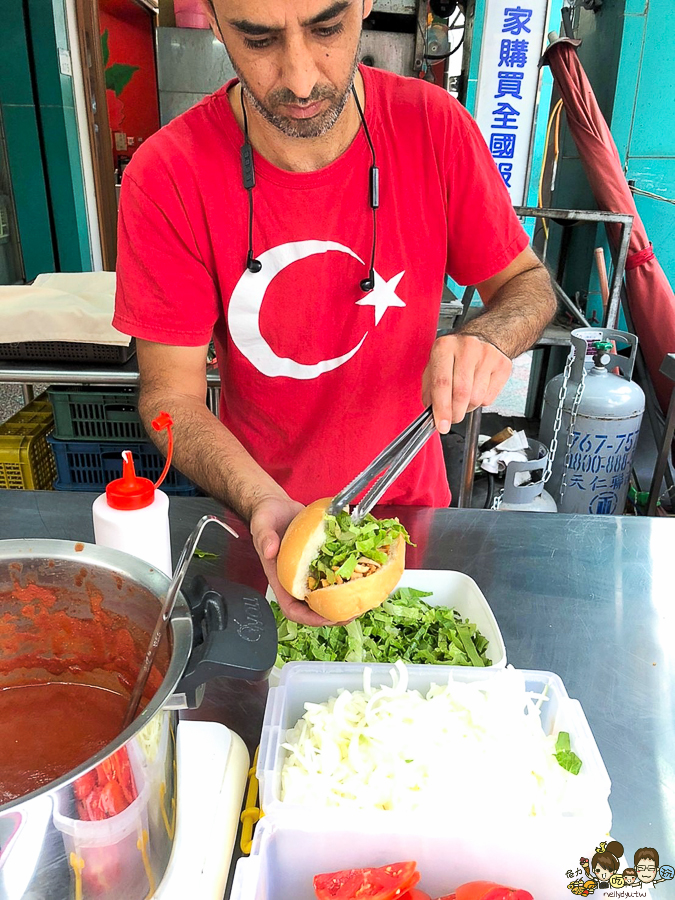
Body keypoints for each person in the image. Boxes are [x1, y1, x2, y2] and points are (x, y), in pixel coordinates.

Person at [113, 0, 556, 625]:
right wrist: (263, 502)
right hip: (265, 530)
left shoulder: (434, 127)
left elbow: (528, 285)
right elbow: (170, 398)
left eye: (326, 29)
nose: (299, 78)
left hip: (413, 516)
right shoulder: (167, 176)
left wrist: (491, 335)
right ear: (213, 20)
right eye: (258, 38)